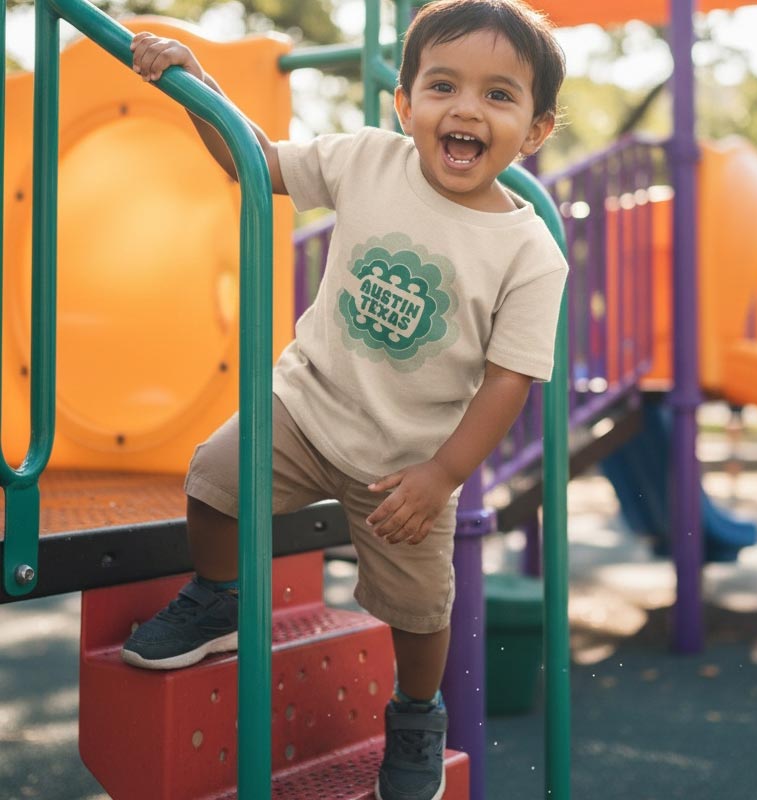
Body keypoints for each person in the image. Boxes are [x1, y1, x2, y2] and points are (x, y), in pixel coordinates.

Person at [124, 1, 567, 798]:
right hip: (305, 403)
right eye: (443, 86)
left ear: (535, 130)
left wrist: (443, 474)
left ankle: (417, 710)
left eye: (499, 96)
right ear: (405, 104)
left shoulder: (529, 250)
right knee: (214, 481)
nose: (466, 108)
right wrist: (197, 83)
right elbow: (251, 162)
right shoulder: (366, 157)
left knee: (421, 607)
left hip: (409, 461)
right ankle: (220, 597)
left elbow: (511, 377)